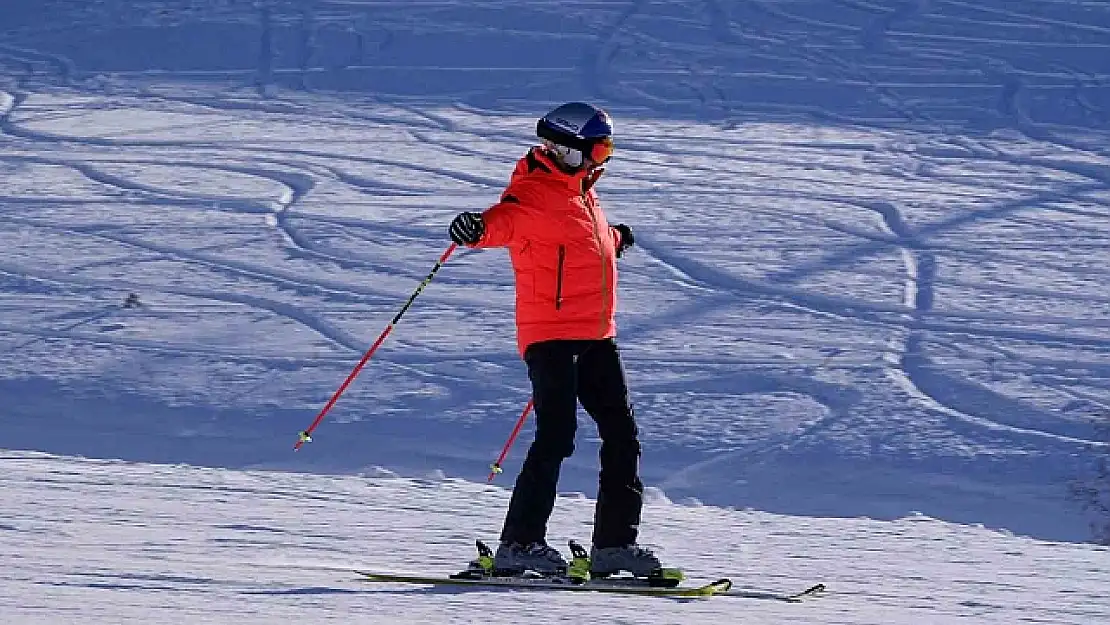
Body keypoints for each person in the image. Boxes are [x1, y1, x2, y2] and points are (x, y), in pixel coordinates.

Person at [448, 102, 662, 579]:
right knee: (556, 437)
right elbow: (501, 224)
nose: (604, 159)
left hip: (597, 335)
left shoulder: (583, 194)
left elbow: (582, 237)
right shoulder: (532, 195)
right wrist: (475, 229)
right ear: (568, 149)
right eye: (599, 149)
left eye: (608, 149)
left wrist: (615, 238)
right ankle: (519, 544)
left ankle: (614, 546)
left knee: (623, 437)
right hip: (552, 337)